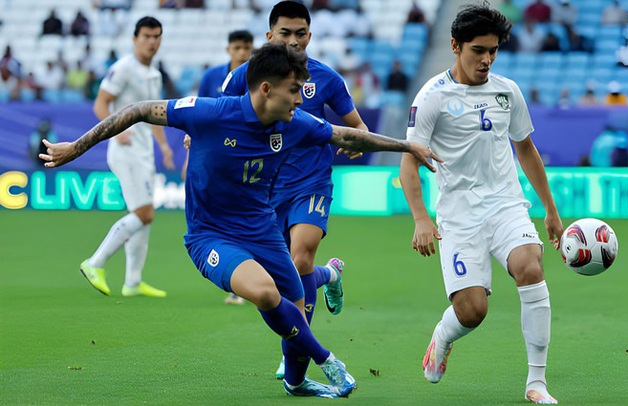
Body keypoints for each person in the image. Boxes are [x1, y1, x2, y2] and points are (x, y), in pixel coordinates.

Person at [39, 42, 439, 398]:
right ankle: (329, 361)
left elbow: (348, 136)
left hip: (261, 230)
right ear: (266, 89)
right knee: (267, 294)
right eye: (294, 90)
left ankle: (297, 380)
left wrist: (406, 145)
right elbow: (138, 110)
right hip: (210, 236)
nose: (301, 100)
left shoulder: (296, 123)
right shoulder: (210, 113)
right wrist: (76, 146)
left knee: (295, 310)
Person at [399, 3, 563, 404]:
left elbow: (526, 149)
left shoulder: (508, 92)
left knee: (529, 266)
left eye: (493, 50)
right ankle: (442, 336)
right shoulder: (432, 97)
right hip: (458, 215)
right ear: (455, 46)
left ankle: (536, 383)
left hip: (506, 205)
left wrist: (550, 209)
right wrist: (421, 218)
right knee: (472, 311)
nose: (487, 59)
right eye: (478, 50)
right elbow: (408, 163)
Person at [222, 1, 369, 379]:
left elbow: (358, 127)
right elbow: (217, 115)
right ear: (269, 36)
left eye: (300, 33)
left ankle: (297, 353)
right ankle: (331, 275)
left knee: (299, 261)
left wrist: (359, 140)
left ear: (310, 35)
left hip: (311, 183)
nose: (293, 40)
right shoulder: (244, 77)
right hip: (263, 191)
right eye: (285, 33)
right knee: (278, 279)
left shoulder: (327, 79)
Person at [79, 16, 175, 298]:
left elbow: (154, 114)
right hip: (125, 150)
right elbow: (101, 102)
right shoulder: (122, 69)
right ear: (135, 39)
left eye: (157, 36)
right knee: (144, 213)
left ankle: (132, 282)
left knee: (145, 215)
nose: (152, 41)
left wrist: (164, 146)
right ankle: (94, 263)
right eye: (147, 36)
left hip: (143, 151)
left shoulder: (153, 73)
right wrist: (114, 131)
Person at [188, 29, 254, 305]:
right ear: (228, 49)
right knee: (224, 214)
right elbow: (198, 114)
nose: (242, 53)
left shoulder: (257, 78)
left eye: (246, 48)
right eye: (237, 48)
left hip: (246, 157)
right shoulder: (212, 77)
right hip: (216, 157)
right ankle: (239, 276)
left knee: (246, 213)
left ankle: (244, 279)